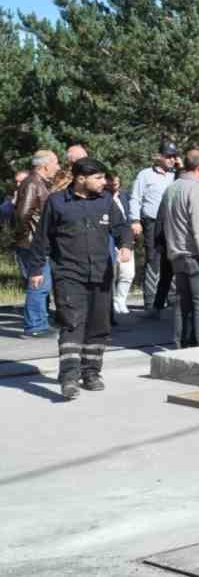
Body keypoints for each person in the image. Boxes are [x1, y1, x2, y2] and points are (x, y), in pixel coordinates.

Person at [26, 158, 132, 400]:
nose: (103, 182)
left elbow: (121, 227)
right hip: (68, 274)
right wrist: (35, 270)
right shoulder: (57, 202)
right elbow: (43, 239)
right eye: (98, 178)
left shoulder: (105, 200)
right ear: (80, 179)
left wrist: (125, 245)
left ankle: (92, 373)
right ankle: (69, 378)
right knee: (72, 323)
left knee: (99, 326)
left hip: (101, 274)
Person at [157, 149, 199, 349]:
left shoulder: (172, 188)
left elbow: (163, 222)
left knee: (182, 305)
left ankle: (179, 347)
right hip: (196, 256)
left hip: (176, 255)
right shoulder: (198, 190)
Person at [12, 151, 60, 338]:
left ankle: (40, 322)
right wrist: (27, 239)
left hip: (36, 242)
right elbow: (23, 215)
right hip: (32, 244)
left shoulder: (38, 183)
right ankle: (34, 327)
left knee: (42, 284)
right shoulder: (33, 184)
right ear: (45, 166)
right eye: (55, 163)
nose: (58, 167)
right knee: (38, 284)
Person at [131, 143, 180, 317]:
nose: (172, 160)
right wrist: (135, 220)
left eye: (175, 156)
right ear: (158, 156)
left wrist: (181, 168)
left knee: (174, 258)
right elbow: (135, 198)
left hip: (172, 223)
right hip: (152, 223)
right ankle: (151, 303)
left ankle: (172, 298)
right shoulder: (145, 175)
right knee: (153, 260)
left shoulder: (176, 176)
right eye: (168, 156)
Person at [107, 173, 137, 323]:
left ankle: (121, 300)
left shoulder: (125, 196)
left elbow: (130, 216)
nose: (114, 185)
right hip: (110, 238)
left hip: (125, 237)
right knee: (112, 274)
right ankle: (111, 303)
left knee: (128, 273)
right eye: (111, 183)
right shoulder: (103, 198)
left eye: (116, 183)